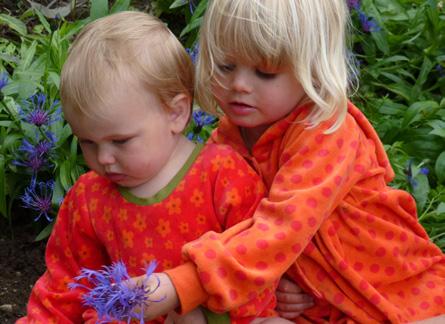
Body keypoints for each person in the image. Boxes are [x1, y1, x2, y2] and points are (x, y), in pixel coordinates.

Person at [139, 0, 445, 323]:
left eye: (265, 72)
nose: (239, 85)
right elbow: (221, 224)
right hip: (323, 306)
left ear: (311, 72)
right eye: (226, 67)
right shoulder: (227, 141)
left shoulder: (325, 132)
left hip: (399, 290)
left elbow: (283, 227)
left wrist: (183, 284)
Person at [16, 11, 284, 324]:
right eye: (88, 142)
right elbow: (65, 286)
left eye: (121, 141)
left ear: (176, 113)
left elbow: (255, 258)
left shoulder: (222, 175)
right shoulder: (89, 198)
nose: (103, 158)